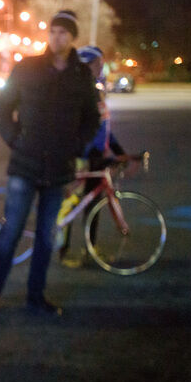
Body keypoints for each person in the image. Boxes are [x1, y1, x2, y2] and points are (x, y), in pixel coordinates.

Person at [0, 10, 100, 316]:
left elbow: (91, 118)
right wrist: (16, 140)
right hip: (25, 165)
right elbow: (1, 110)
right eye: (54, 31)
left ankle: (35, 296)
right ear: (49, 35)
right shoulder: (27, 68)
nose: (58, 37)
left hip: (58, 169)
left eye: (64, 33)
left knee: (46, 237)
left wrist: (76, 147)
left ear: (72, 38)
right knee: (11, 232)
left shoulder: (80, 76)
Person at [58, 45, 129, 267]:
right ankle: (63, 252)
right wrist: (84, 155)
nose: (101, 67)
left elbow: (103, 127)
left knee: (92, 206)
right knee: (70, 205)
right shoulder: (77, 91)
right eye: (98, 63)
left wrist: (119, 152)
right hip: (80, 158)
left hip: (96, 157)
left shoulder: (95, 90)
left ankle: (91, 249)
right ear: (87, 65)